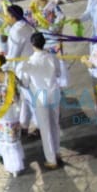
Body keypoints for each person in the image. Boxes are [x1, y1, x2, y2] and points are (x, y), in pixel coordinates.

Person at [22, 33, 63, 169]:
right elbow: (58, 73)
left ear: (32, 45)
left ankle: (51, 159)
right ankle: (57, 153)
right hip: (54, 92)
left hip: (40, 95)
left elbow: (25, 82)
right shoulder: (52, 57)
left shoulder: (29, 62)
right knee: (55, 124)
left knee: (45, 128)